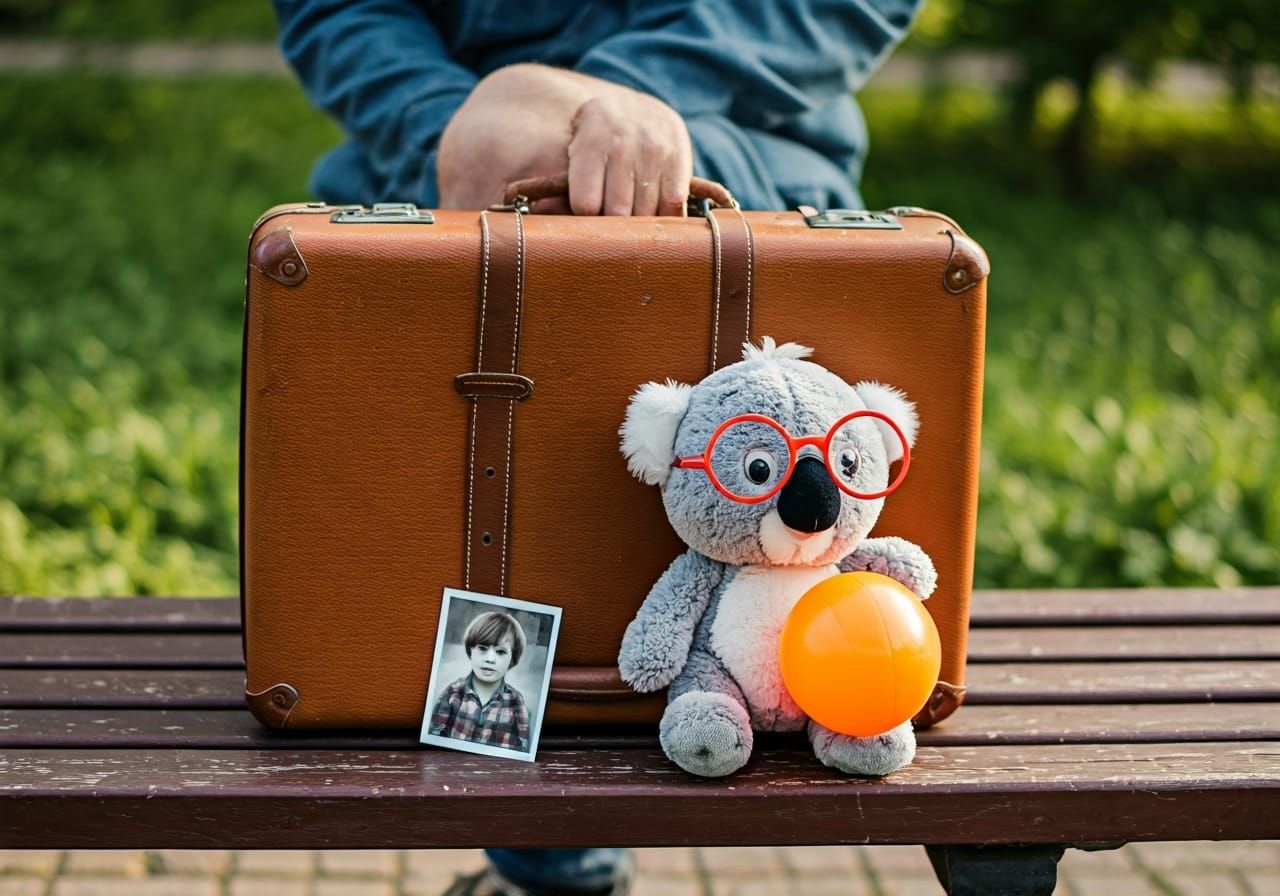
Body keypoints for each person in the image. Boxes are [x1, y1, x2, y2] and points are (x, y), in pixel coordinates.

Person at [271, 3, 923, 892]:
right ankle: (557, 870)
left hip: (744, 150)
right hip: (439, 167)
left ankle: (555, 875)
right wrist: (455, 132)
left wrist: (606, 111)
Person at [429, 611, 531, 752]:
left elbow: (522, 748)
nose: (490, 658)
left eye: (500, 652)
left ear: (512, 659)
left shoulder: (516, 701)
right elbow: (435, 738)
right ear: (471, 651)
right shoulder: (453, 692)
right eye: (482, 648)